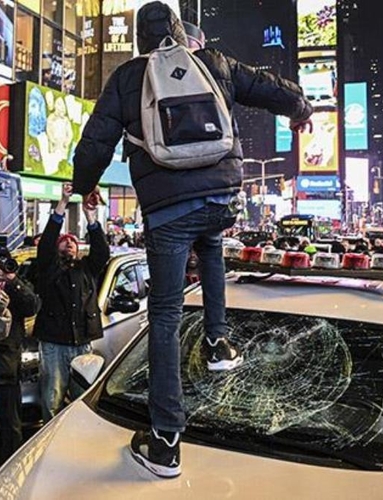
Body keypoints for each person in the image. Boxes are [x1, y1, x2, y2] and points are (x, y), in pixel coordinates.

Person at [70, 2, 313, 479]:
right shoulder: (213, 62)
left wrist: (81, 187)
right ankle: (219, 341)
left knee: (164, 313)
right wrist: (301, 109)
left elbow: (95, 140)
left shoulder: (127, 78)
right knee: (211, 242)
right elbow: (266, 87)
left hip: (167, 209)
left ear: (141, 36)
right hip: (221, 195)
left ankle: (164, 441)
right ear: (180, 31)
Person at [33, 183, 109, 421]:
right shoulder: (47, 269)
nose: (69, 244)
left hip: (81, 343)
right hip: (54, 344)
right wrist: (62, 204)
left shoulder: (87, 269)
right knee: (51, 400)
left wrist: (90, 217)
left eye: (73, 242)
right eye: (64, 241)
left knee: (83, 401)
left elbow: (101, 252)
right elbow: (45, 245)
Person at [0, 249, 39, 463]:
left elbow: (32, 305)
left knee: (10, 427)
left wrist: (12, 280)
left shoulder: (15, 285)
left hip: (6, 369)